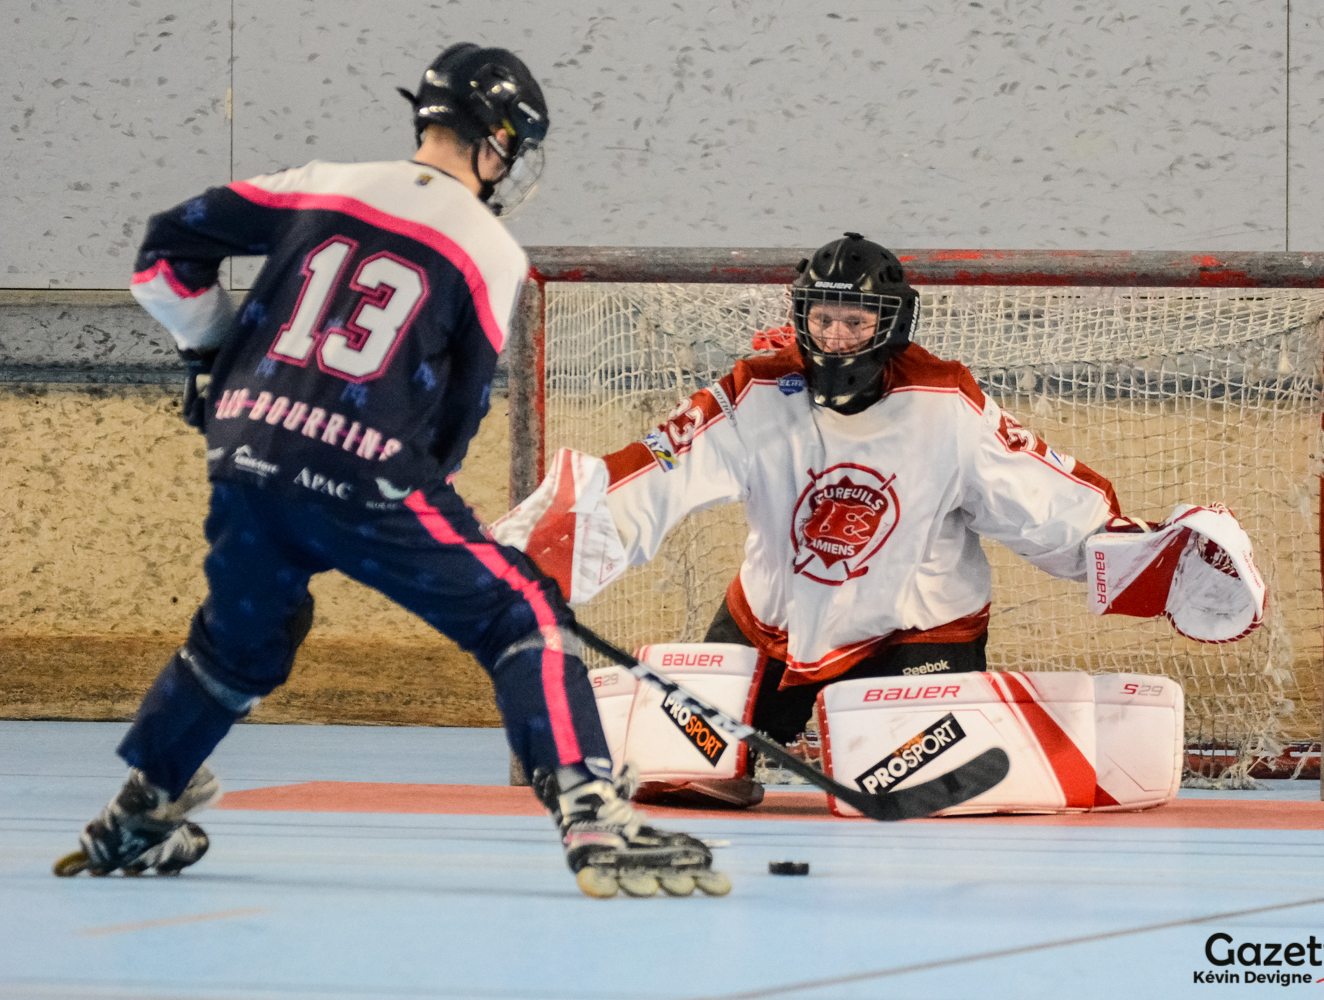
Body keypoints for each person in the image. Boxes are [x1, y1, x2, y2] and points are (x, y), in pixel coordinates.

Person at [54, 43, 727, 899]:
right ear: (498, 141)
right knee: (519, 610)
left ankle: (137, 814)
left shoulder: (318, 182)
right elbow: (453, 418)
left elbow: (163, 254)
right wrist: (415, 507)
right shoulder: (490, 249)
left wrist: (210, 354)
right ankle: (592, 813)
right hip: (365, 474)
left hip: (244, 453)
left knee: (238, 641)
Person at [494, 232, 1199, 806]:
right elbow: (659, 469)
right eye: (823, 319)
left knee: (896, 780)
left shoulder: (947, 406)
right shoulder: (755, 391)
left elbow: (1044, 502)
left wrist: (1153, 563)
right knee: (684, 775)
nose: (835, 338)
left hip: (913, 631)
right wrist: (546, 546)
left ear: (890, 324)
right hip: (773, 623)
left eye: (855, 322)